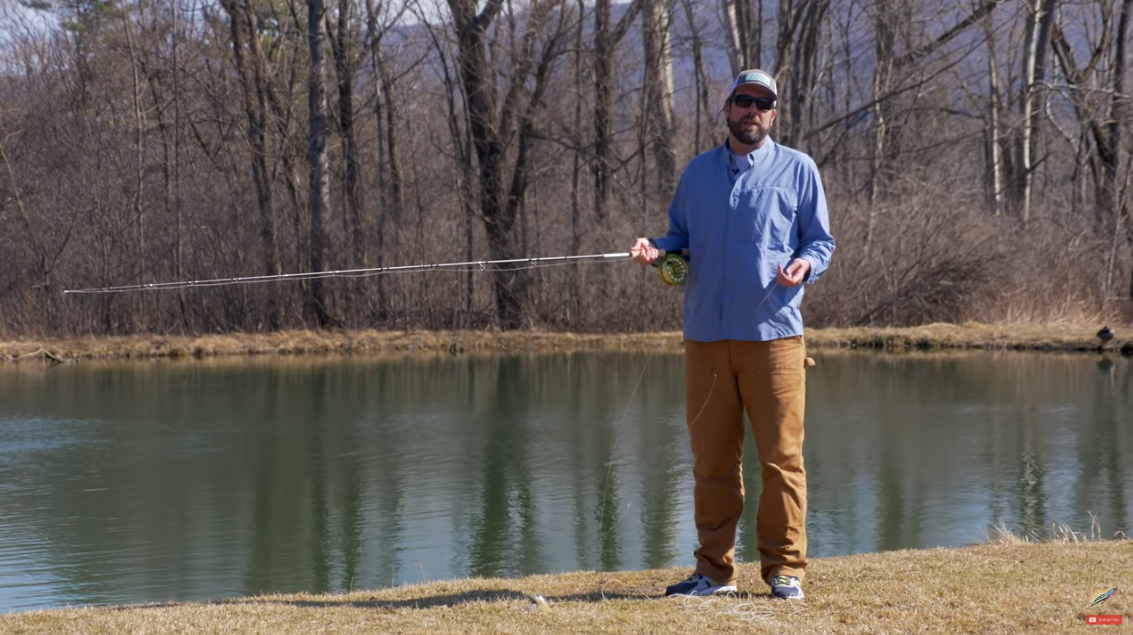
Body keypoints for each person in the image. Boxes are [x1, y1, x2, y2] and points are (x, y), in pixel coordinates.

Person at [630, 69, 834, 600]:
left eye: (762, 104)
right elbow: (678, 238)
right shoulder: (696, 174)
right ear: (727, 109)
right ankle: (714, 572)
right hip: (705, 340)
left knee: (782, 461)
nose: (752, 111)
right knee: (712, 464)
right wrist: (655, 247)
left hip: (775, 341)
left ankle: (785, 569)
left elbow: (820, 242)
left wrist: (803, 267)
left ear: (773, 114)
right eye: (743, 101)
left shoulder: (799, 169)